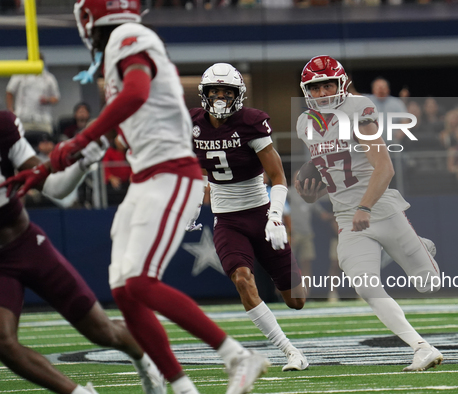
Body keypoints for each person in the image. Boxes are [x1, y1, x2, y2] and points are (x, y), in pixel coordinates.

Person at [1, 2, 269, 394]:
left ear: (91, 17)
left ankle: (237, 356)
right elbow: (120, 119)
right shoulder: (120, 52)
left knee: (141, 283)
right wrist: (46, 167)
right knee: (125, 292)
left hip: (170, 172)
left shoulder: (128, 38)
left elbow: (136, 93)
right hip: (146, 176)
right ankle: (180, 388)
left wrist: (78, 141)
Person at [0, 110, 164, 394]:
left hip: (27, 245)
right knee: (3, 341)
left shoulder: (3, 127)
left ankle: (147, 362)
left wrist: (82, 164)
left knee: (102, 331)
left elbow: (55, 189)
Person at [296, 55, 443, 372]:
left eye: (326, 85)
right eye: (315, 87)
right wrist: (313, 193)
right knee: (364, 285)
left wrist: (365, 206)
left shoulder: (357, 108)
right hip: (348, 219)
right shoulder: (304, 124)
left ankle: (421, 245)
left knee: (428, 284)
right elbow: (335, 176)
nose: (321, 93)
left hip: (380, 208)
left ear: (341, 84)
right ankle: (421, 347)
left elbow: (384, 168)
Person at [187, 63, 309, 372]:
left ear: (237, 96)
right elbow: (196, 170)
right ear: (204, 94)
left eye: (226, 92)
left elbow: (278, 176)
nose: (219, 97)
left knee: (296, 299)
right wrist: (191, 201)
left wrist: (275, 216)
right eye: (214, 91)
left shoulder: (252, 123)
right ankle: (289, 351)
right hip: (227, 219)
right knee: (242, 279)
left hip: (260, 213)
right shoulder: (193, 125)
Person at [6, 53, 60, 141]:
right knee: (20, 142)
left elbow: (56, 97)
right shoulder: (20, 74)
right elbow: (9, 91)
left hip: (42, 120)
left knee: (47, 143)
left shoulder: (49, 78)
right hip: (23, 118)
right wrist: (11, 109)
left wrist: (47, 100)